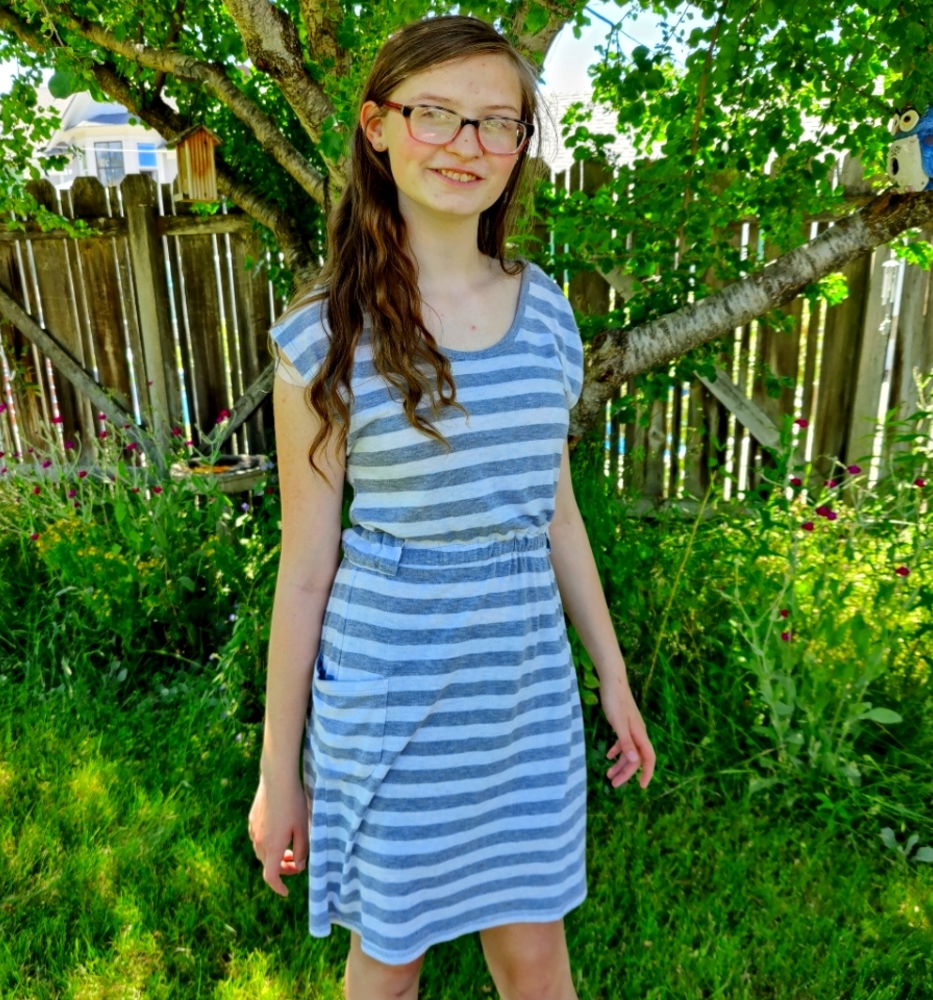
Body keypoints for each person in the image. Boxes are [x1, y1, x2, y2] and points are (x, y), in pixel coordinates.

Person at [248, 14, 655, 1000]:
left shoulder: (547, 309)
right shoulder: (323, 339)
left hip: (522, 694)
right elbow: (304, 571)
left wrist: (610, 674)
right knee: (389, 958)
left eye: (497, 124)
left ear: (521, 147)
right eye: (438, 115)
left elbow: (553, 510)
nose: (468, 147)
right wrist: (276, 775)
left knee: (534, 954)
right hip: (393, 697)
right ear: (378, 126)